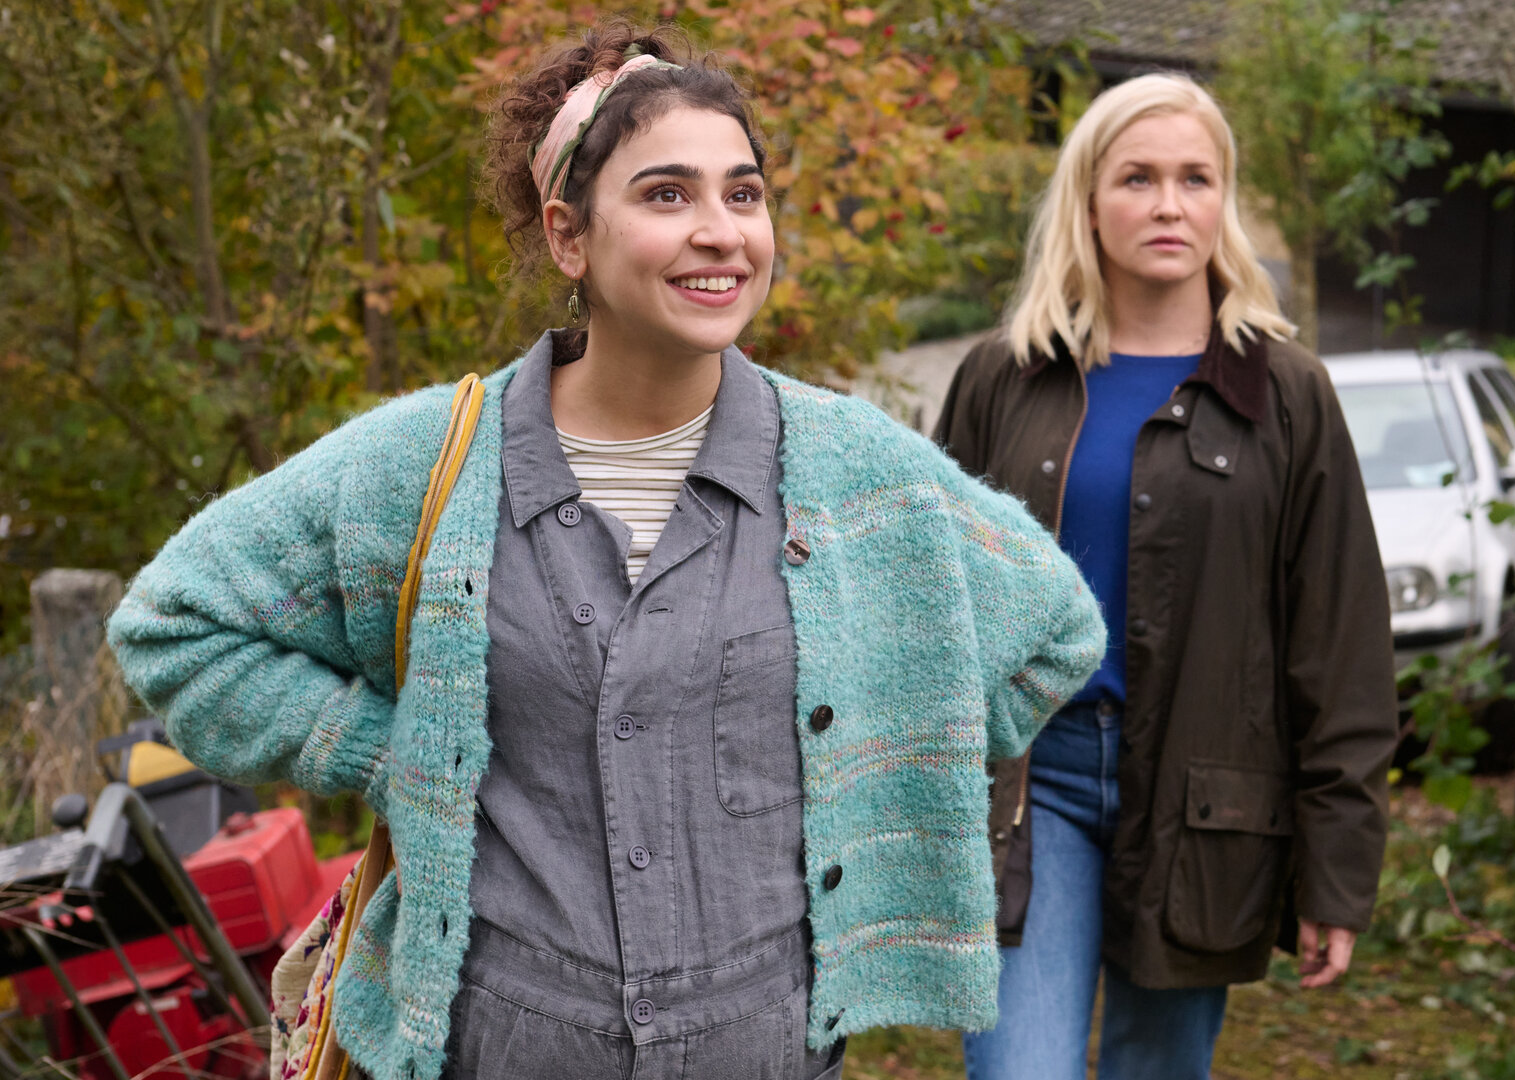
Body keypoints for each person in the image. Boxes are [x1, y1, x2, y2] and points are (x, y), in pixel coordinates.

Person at [107, 20, 1103, 1080]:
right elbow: (173, 628)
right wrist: (389, 753)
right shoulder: (425, 467)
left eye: (744, 193)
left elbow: (1052, 632)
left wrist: (875, 740)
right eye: (666, 194)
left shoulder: (858, 472)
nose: (720, 230)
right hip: (495, 1047)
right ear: (569, 235)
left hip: (766, 1051)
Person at [933, 73, 1399, 1080]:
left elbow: (1341, 644)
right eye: (1137, 178)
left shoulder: (1286, 396)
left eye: (1196, 178)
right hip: (1031, 790)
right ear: (1089, 202)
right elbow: (929, 612)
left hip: (1207, 804)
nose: (1169, 204)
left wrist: (1337, 871)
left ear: (1223, 200)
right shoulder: (1002, 378)